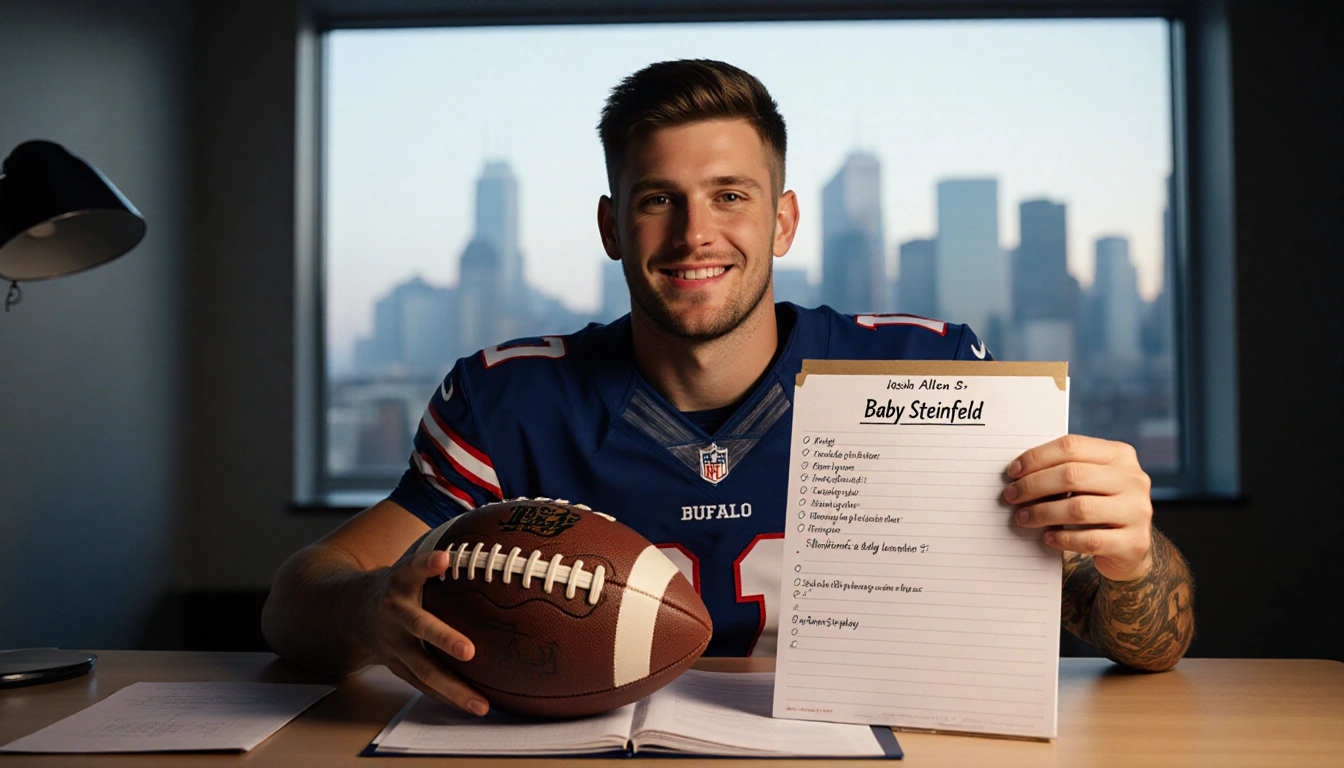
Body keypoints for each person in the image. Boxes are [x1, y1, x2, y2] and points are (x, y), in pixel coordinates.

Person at [261, 59, 1194, 717]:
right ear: (611, 226)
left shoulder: (926, 367)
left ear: (784, 220)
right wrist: (366, 608)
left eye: (731, 195)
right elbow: (298, 598)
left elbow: (1150, 643)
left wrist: (1131, 556)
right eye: (658, 198)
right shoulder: (507, 398)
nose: (694, 232)